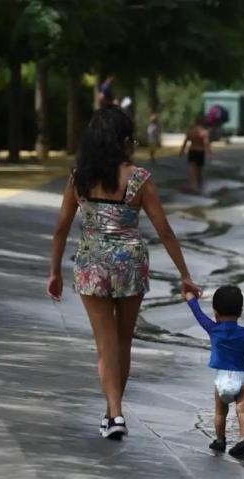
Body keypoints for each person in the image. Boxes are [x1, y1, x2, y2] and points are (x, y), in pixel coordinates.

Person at [47, 107, 201, 439]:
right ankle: (112, 413)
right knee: (123, 341)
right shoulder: (139, 179)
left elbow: (61, 229)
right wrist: (185, 274)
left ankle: (114, 414)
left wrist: (54, 271)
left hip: (91, 263)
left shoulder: (79, 178)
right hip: (130, 262)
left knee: (106, 344)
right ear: (124, 141)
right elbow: (165, 231)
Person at [184, 286, 244, 459]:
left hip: (222, 380)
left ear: (216, 312)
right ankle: (243, 440)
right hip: (243, 380)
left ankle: (220, 440)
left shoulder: (213, 328)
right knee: (243, 411)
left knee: (220, 412)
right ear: (240, 311)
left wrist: (190, 296)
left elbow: (198, 314)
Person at [179, 116, 210, 193]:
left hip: (192, 151)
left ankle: (194, 185)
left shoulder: (190, 131)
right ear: (202, 123)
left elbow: (185, 142)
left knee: (192, 169)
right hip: (200, 152)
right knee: (199, 170)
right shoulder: (204, 132)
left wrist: (182, 151)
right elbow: (206, 143)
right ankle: (199, 186)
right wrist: (209, 152)